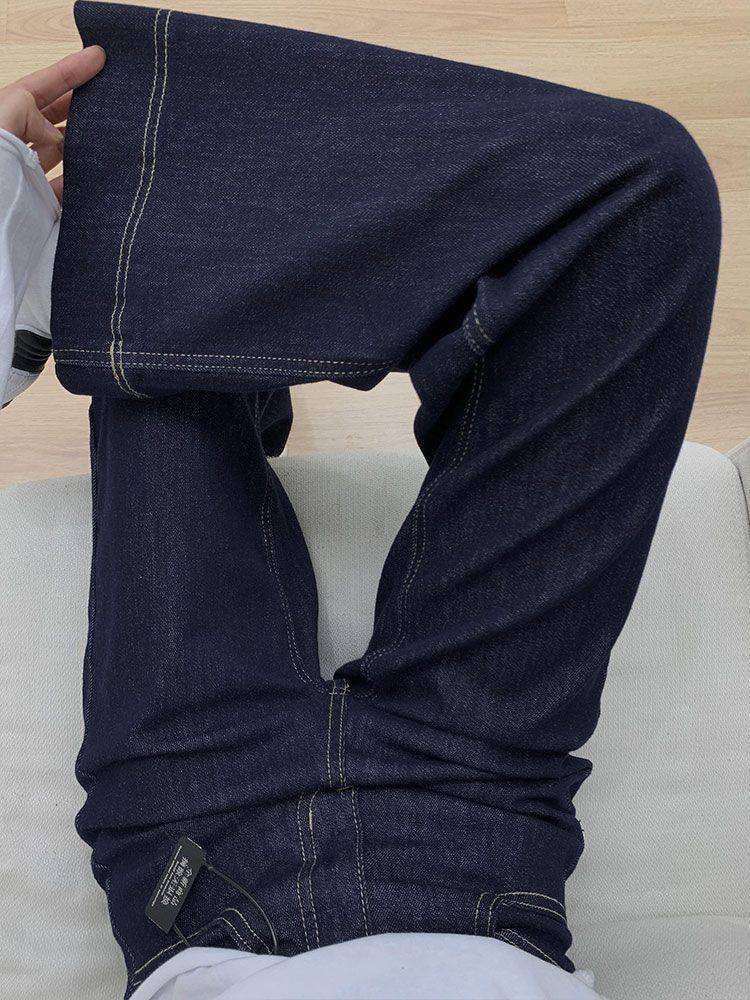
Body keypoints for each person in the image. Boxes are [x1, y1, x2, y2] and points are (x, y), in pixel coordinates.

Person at [0, 2, 721, 998]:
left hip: (198, 847)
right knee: (644, 186)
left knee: (155, 348)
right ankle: (136, 253)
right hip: (481, 813)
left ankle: (127, 259)